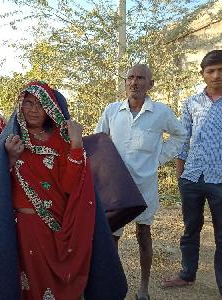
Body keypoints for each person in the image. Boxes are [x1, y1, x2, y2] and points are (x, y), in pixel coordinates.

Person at [0, 81, 128, 300]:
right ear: (20, 106)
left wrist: (76, 145)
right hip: (24, 230)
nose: (34, 109)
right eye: (28, 103)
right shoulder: (10, 142)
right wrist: (8, 160)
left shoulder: (62, 141)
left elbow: (70, 185)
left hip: (57, 229)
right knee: (26, 286)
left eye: (40, 104)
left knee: (56, 287)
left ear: (51, 108)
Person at [95, 64, 186, 300]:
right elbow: (98, 140)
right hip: (115, 188)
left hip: (145, 186)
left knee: (143, 233)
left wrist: (159, 157)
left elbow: (181, 135)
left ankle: (143, 288)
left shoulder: (161, 113)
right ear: (125, 82)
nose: (134, 82)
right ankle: (112, 285)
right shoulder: (112, 111)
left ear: (150, 84)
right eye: (130, 78)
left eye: (140, 78)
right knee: (112, 236)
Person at [162, 50, 222, 296]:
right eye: (211, 71)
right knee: (190, 228)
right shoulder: (191, 103)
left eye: (221, 70)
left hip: (220, 179)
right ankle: (187, 274)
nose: (217, 75)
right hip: (192, 177)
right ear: (203, 74)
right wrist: (180, 176)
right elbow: (182, 140)